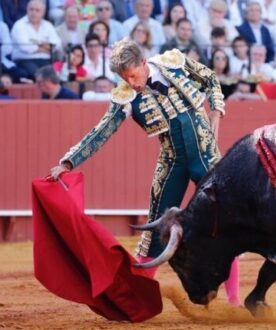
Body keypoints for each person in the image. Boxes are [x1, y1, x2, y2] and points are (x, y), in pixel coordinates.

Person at [48, 39, 241, 306]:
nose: (133, 83)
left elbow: (209, 77)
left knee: (226, 223)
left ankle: (234, 301)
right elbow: (101, 131)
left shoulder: (173, 62)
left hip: (206, 154)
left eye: (133, 75)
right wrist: (69, 162)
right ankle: (138, 297)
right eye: (125, 78)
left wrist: (217, 111)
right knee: (155, 231)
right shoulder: (125, 96)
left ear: (143, 62)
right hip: (172, 161)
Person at [10, 0, 62, 81]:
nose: (34, 12)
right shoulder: (19, 25)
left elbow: (57, 45)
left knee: (58, 77)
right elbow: (26, 48)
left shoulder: (48, 25)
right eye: (31, 9)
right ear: (27, 10)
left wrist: (36, 43)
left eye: (37, 10)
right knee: (40, 77)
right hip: (24, 60)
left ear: (43, 12)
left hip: (46, 60)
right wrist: (46, 46)